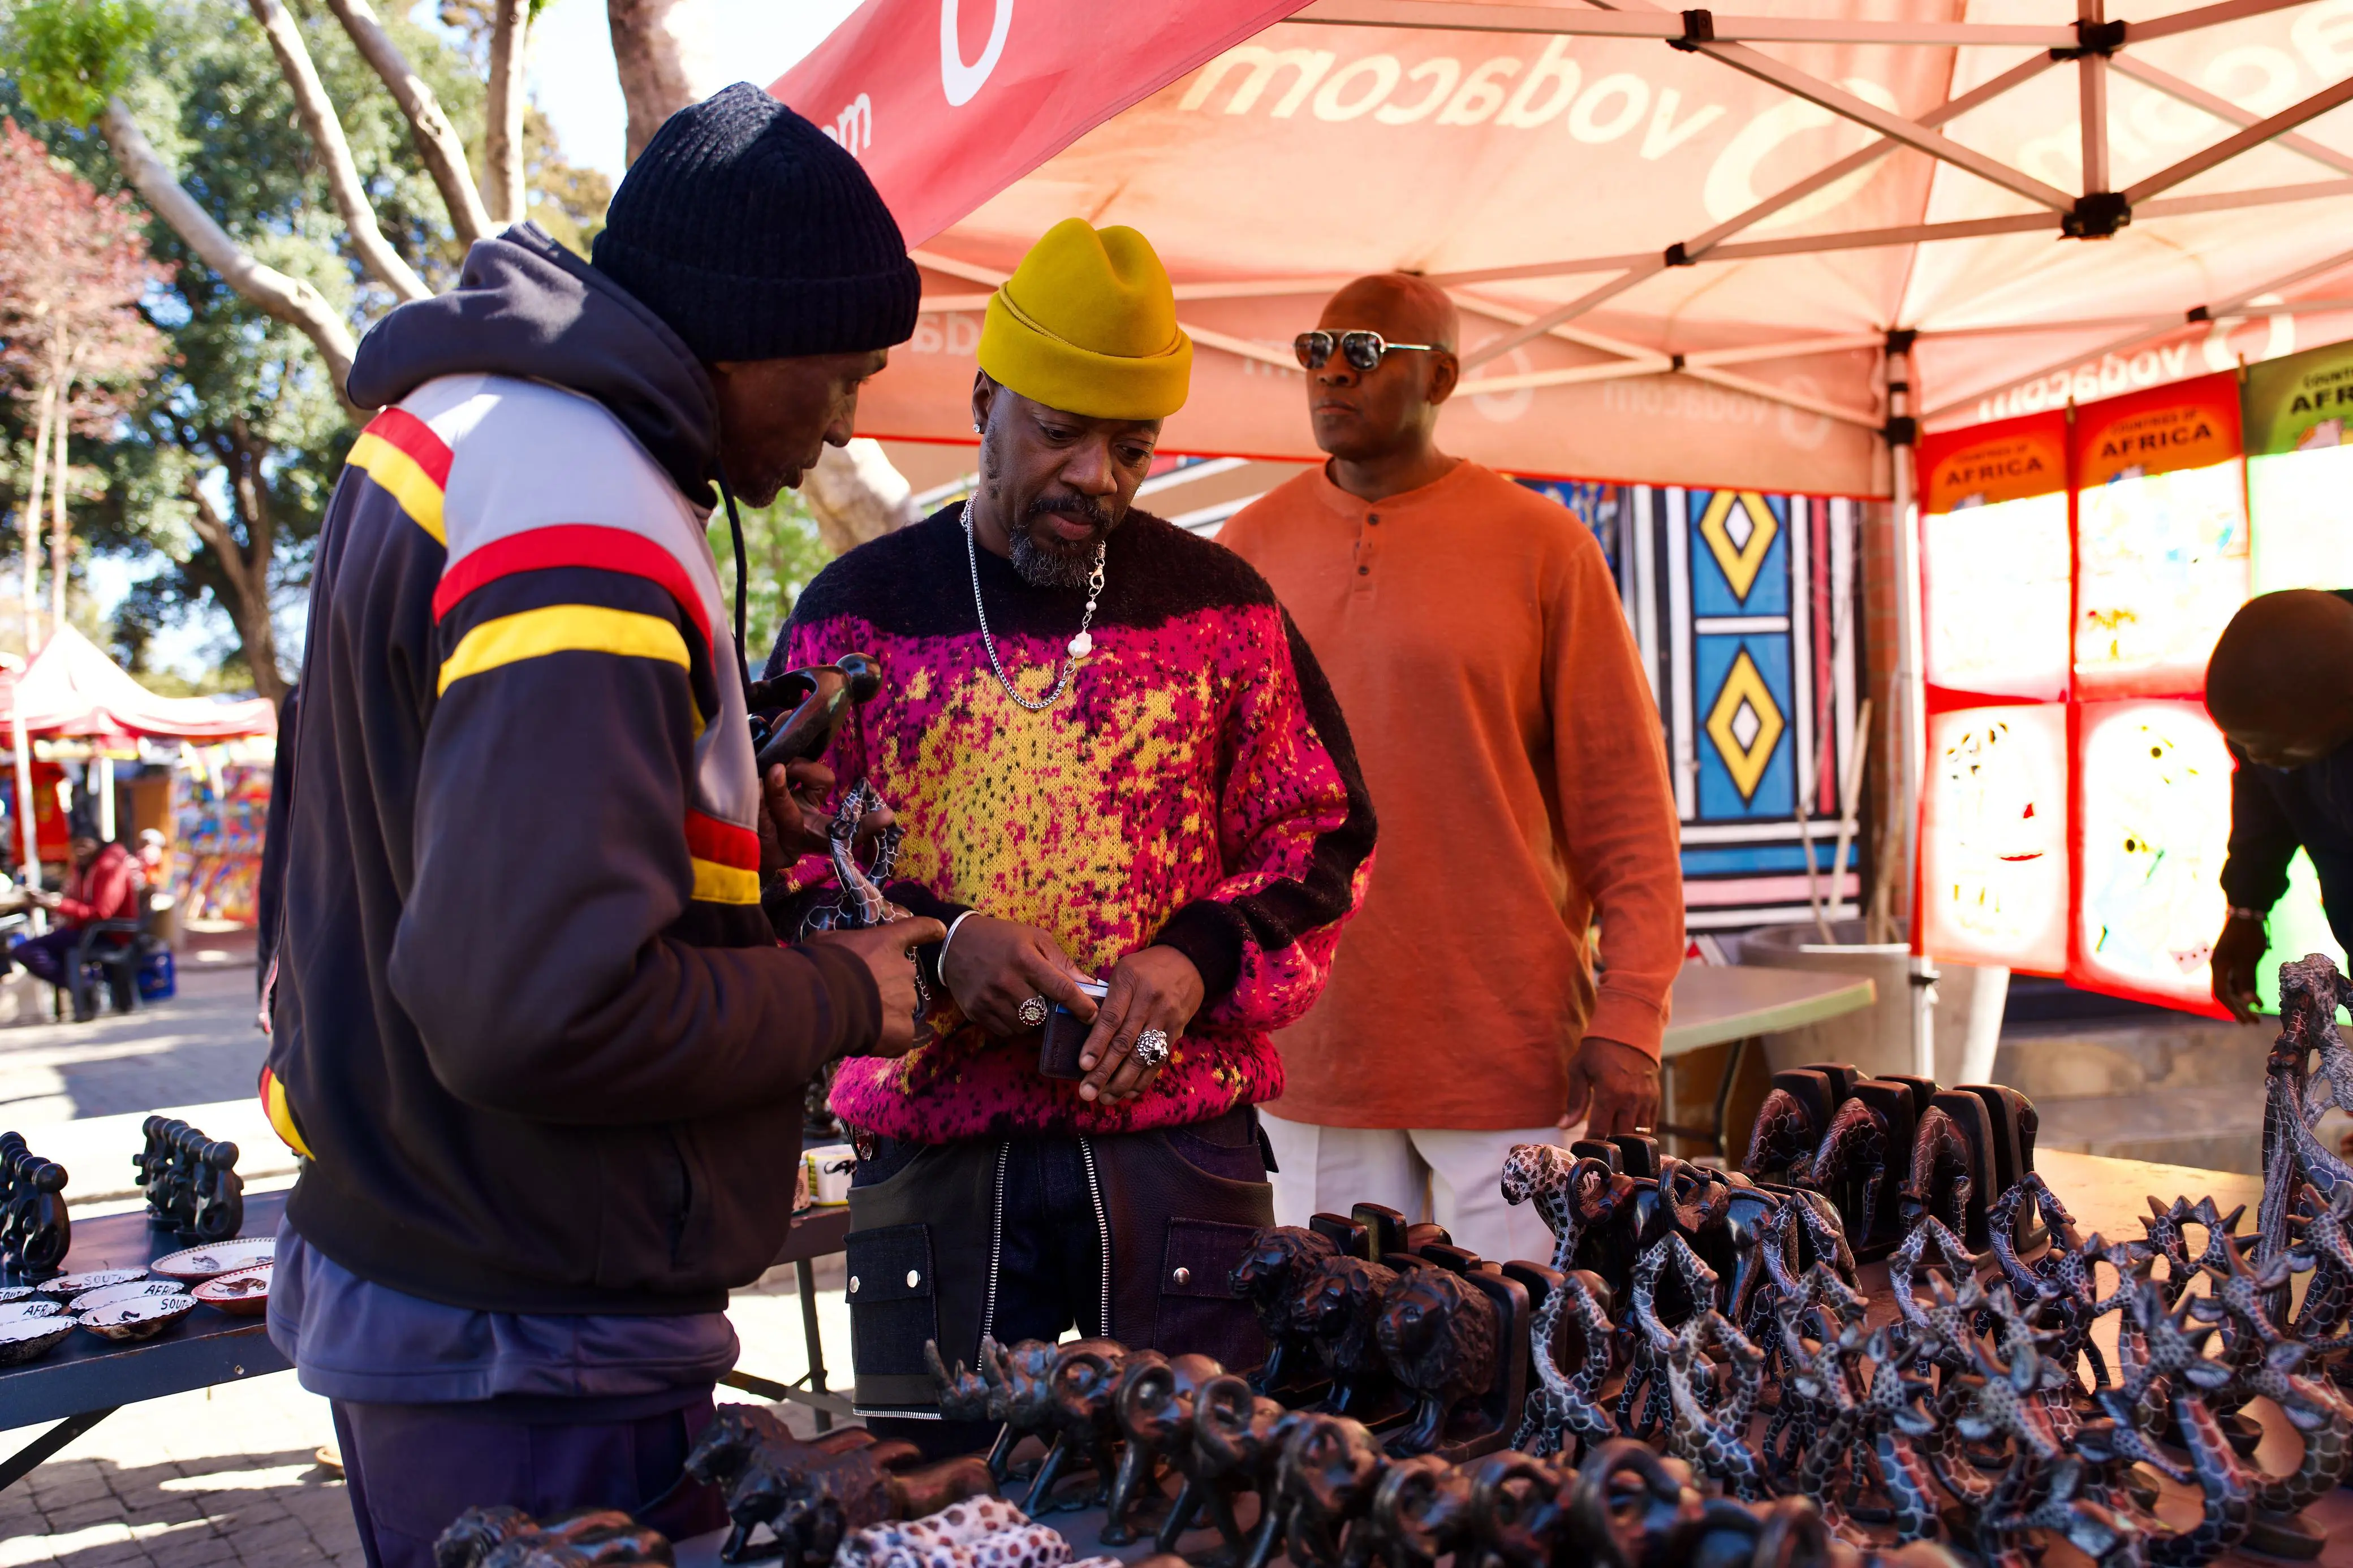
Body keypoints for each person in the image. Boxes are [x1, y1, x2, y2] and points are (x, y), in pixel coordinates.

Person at [258, 85, 940, 1568]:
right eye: (842, 375)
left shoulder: (470, 436)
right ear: (747, 339)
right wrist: (847, 991)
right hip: (524, 1320)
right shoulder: (587, 514)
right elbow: (535, 1008)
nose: (844, 424)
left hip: (457, 1274)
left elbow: (436, 843)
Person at [772, 218, 1374, 1440]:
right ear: (986, 399)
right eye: (1059, 432)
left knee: (1197, 1513)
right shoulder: (859, 614)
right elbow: (777, 861)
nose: (1098, 474)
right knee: (938, 1513)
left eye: (1134, 447)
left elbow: (1322, 836)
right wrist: (944, 945)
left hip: (1178, 1155)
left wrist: (1197, 957)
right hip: (934, 1158)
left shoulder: (1221, 611)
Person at [1217, 273, 1684, 1264]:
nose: (1333, 372)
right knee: (1338, 1372)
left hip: (1502, 1042)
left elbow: (1627, 810)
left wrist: (1633, 1009)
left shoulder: (1544, 547)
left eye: (1367, 353)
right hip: (1314, 1044)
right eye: (1317, 348)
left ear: (1443, 377)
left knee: (1519, 1362)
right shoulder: (1245, 552)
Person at [2205, 588, 2353, 1022]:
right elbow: (2263, 801)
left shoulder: (2323, 678)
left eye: (2282, 751)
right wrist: (2246, 908)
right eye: (2246, 746)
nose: (2263, 759)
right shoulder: (2287, 672)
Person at [12, 823, 143, 1018]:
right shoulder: (83, 866)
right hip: (83, 929)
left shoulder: (110, 866)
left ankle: (82, 987)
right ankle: (82, 986)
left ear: (97, 843)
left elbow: (102, 912)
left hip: (106, 934)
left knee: (29, 950)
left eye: (85, 845)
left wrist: (58, 905)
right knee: (28, 950)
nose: (80, 851)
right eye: (76, 846)